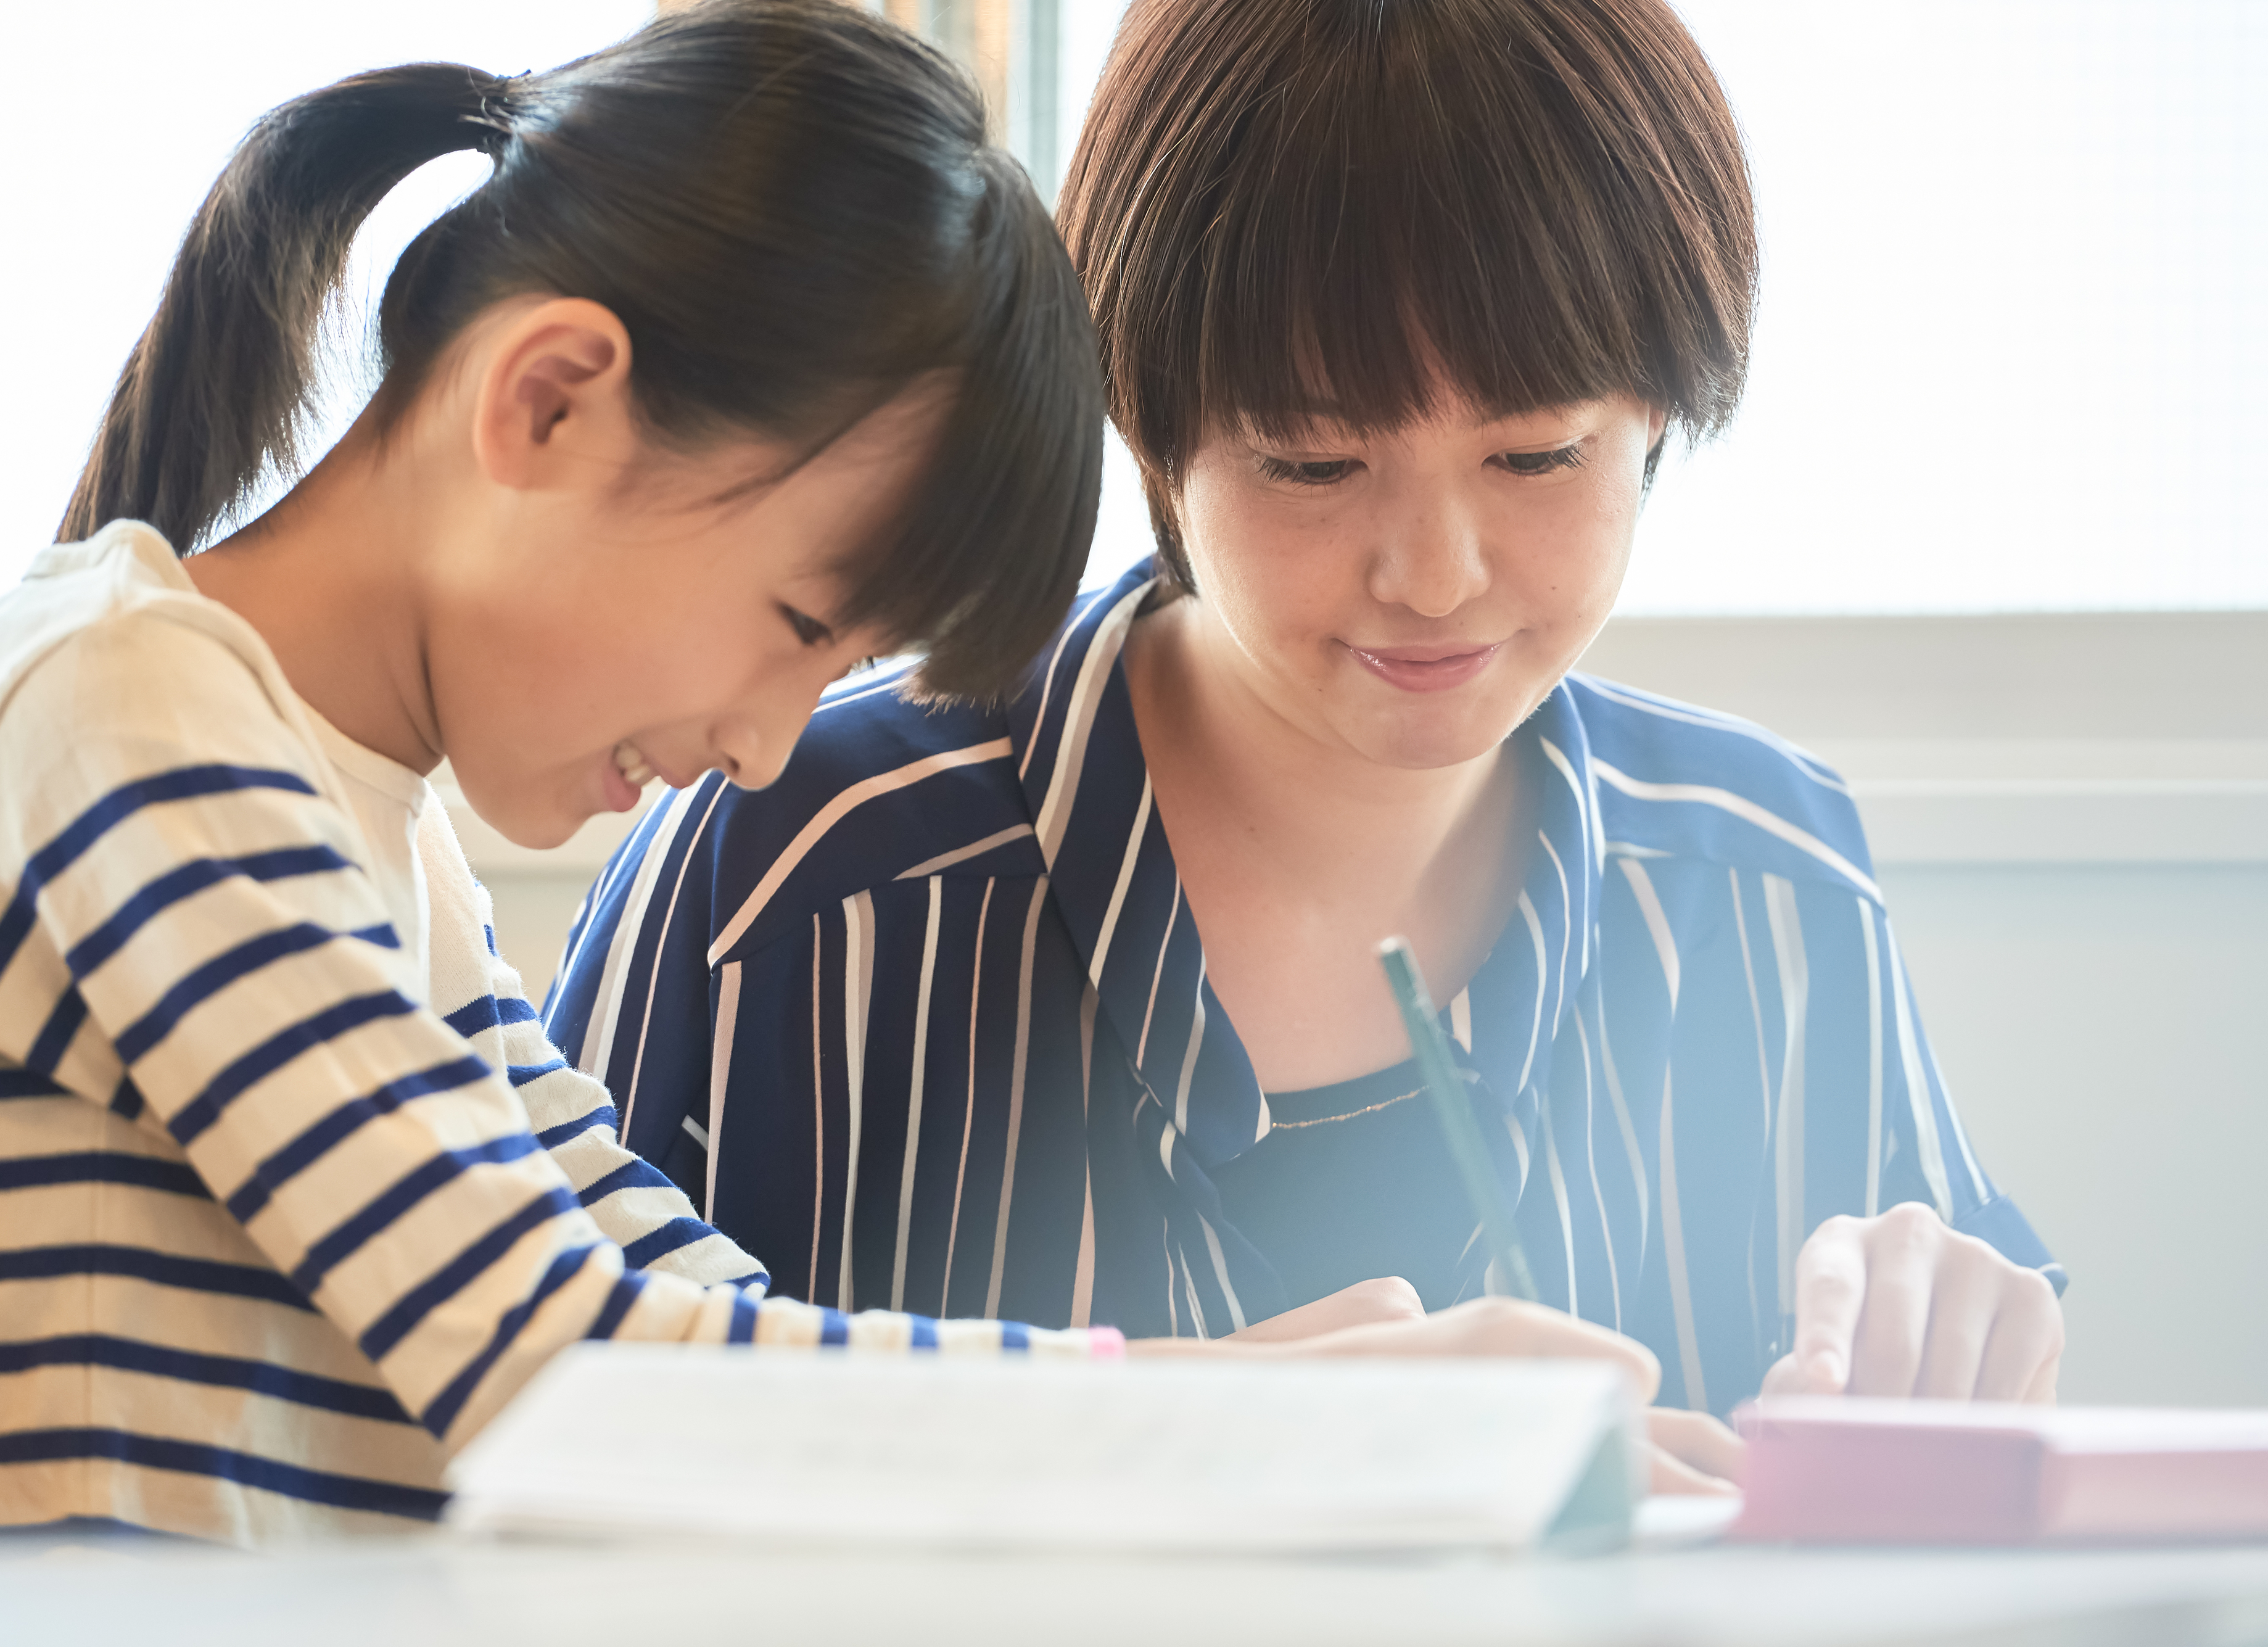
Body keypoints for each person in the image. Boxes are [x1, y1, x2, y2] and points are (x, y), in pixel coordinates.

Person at [0, 0, 1670, 1548]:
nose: (772, 744)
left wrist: (1265, 1400)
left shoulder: (370, 840)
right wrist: (1247, 1431)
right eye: (797, 617)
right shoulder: (117, 712)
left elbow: (710, 1335)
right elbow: (576, 1388)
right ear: (547, 401)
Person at [546, 0, 2068, 1448]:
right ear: (1141, 414)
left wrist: (1958, 1355)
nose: (1433, 577)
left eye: (1536, 455)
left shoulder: (1772, 884)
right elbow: (532, 1434)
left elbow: (1911, 1482)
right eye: (1311, 463)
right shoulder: (790, 865)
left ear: (1656, 414)